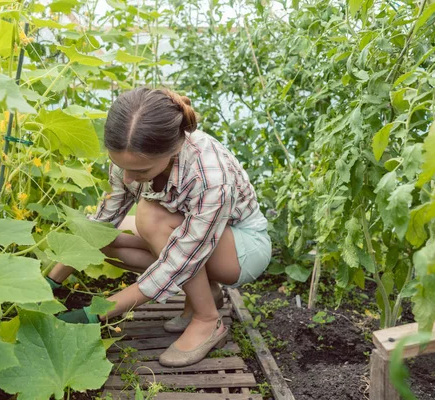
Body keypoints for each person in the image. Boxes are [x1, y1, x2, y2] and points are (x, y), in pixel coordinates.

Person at [46, 87, 272, 367]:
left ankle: (207, 319)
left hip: (241, 249)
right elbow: (102, 224)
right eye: (119, 166)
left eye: (140, 172)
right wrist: (51, 280)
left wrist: (95, 313)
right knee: (109, 240)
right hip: (192, 239)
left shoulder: (211, 175)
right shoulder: (132, 155)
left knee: (150, 216)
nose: (128, 178)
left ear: (174, 149)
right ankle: (205, 292)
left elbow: (179, 260)